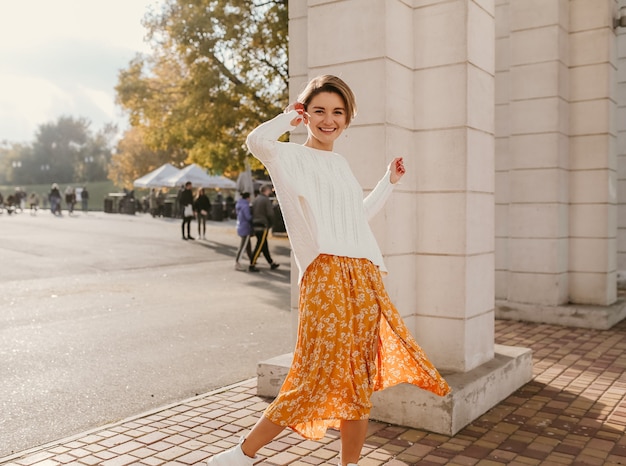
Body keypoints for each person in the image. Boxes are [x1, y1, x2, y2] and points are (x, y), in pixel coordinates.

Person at [207, 75, 450, 466]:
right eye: (319, 110)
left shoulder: (339, 163)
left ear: (347, 118)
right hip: (326, 275)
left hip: (364, 276)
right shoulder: (288, 157)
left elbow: (357, 218)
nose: (329, 119)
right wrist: (288, 119)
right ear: (306, 113)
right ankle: (240, 455)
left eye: (338, 112)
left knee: (358, 380)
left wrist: (389, 183)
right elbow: (256, 142)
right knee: (313, 376)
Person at [248, 184, 279, 272]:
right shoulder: (266, 200)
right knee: (260, 245)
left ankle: (271, 263)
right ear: (266, 191)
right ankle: (252, 264)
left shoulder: (256, 199)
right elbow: (270, 213)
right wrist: (272, 223)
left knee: (263, 245)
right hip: (263, 225)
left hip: (256, 224)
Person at [234, 192, 253, 271]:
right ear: (248, 198)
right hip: (245, 227)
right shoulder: (246, 206)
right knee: (243, 246)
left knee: (247, 245)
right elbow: (248, 217)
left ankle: (252, 259)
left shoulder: (239, 204)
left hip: (240, 226)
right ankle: (237, 262)